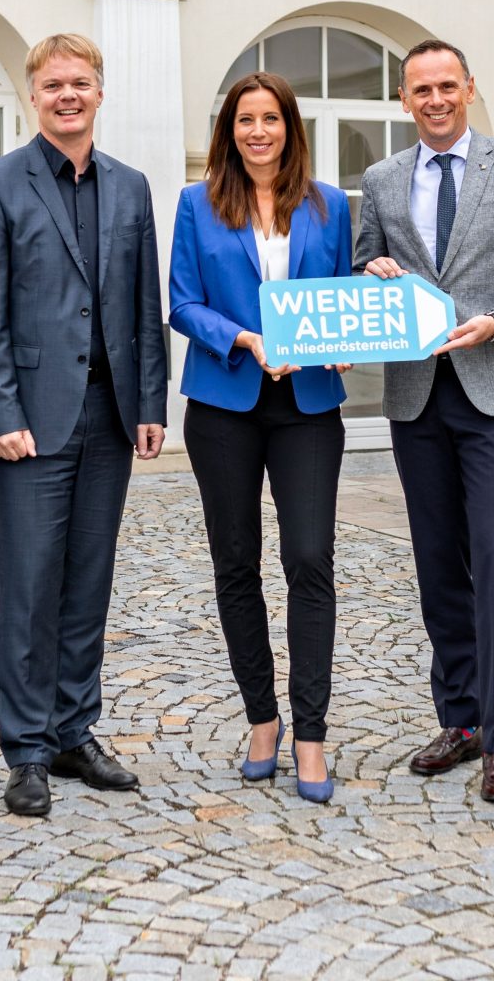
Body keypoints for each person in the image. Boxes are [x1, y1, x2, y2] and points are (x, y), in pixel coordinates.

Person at [354, 38, 494, 804]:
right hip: (416, 394)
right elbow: (363, 267)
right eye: (422, 89)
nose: (436, 99)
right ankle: (461, 719)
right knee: (438, 562)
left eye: (448, 85)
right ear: (404, 99)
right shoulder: (382, 179)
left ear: (469, 89)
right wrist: (371, 271)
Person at [0, 33, 168, 816]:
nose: (67, 96)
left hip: (109, 417)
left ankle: (75, 731)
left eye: (80, 83)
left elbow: (143, 303)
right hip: (31, 424)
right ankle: (26, 749)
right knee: (30, 585)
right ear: (33, 96)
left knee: (88, 582)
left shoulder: (130, 187)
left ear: (100, 92)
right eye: (53, 85)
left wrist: (150, 404)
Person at [169, 72, 354, 804]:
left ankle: (311, 733)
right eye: (244, 120)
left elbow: (339, 296)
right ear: (229, 130)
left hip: (307, 405)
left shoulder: (329, 204)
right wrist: (245, 338)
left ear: (289, 127)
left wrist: (342, 336)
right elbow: (183, 303)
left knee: (309, 558)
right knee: (236, 563)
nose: (257, 132)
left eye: (270, 118)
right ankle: (262, 720)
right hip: (225, 402)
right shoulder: (198, 202)